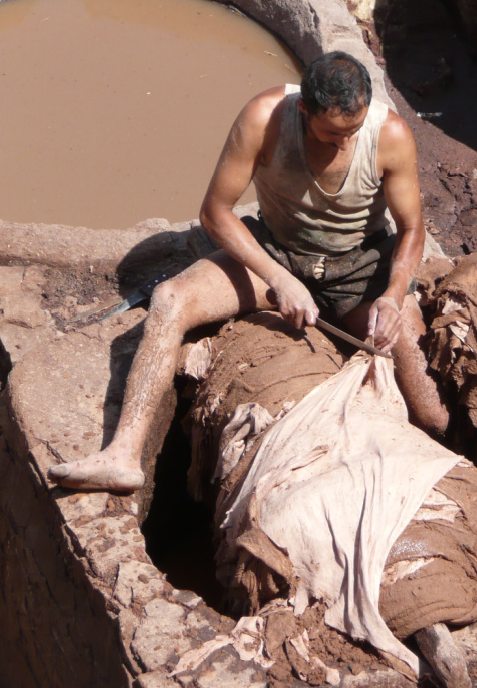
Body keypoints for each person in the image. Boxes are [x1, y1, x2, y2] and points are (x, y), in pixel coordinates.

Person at [47, 51, 450, 491]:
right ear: (304, 109)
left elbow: (412, 229)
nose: (344, 142)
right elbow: (216, 213)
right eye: (332, 132)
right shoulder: (265, 118)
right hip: (275, 252)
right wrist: (280, 279)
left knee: (429, 408)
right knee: (169, 300)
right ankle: (122, 455)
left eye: (352, 130)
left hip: (361, 266)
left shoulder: (389, 133)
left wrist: (392, 295)